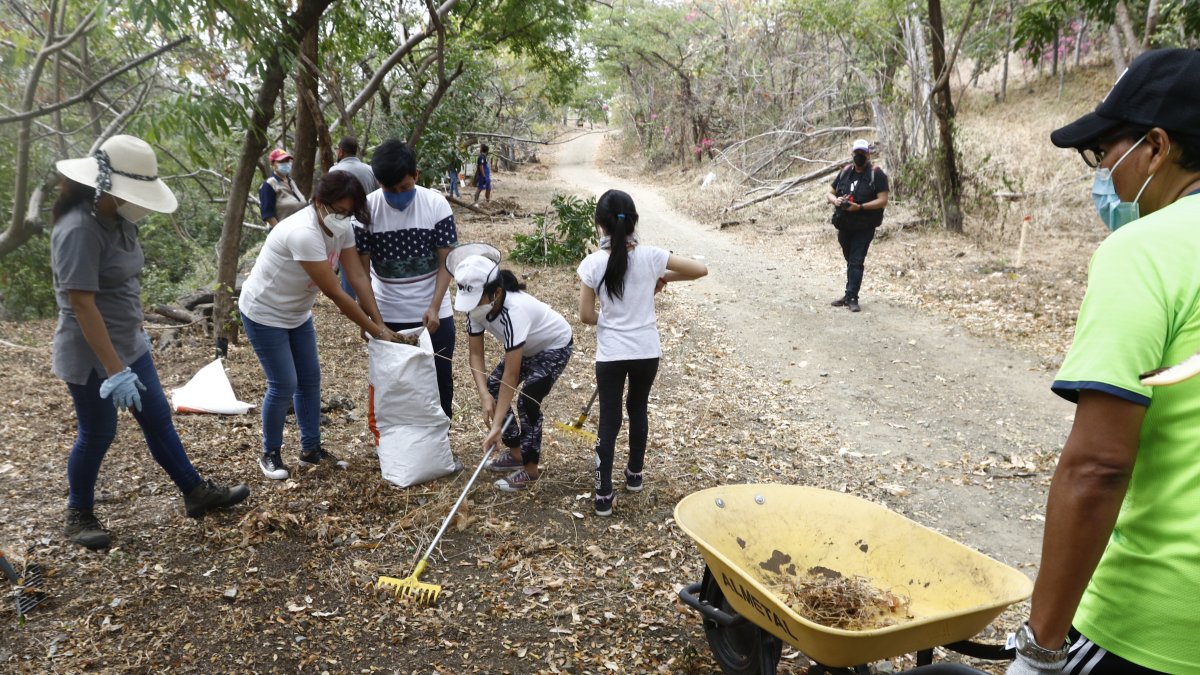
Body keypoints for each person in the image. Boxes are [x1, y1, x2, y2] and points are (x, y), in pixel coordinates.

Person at [1008, 48, 1200, 675]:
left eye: (1103, 152)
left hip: (1159, 622)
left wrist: (1041, 646)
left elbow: (1098, 467)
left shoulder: (1146, 250)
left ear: (1156, 147)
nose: (1103, 174)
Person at [51, 135, 250, 550]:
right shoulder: (78, 230)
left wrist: (133, 338)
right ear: (107, 185)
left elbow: (121, 286)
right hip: (92, 353)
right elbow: (82, 305)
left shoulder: (119, 220)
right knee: (98, 432)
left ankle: (195, 491)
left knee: (157, 417)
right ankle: (78, 512)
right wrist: (114, 370)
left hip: (130, 342)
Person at [239, 171, 401, 481]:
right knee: (284, 383)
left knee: (310, 380)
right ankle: (270, 453)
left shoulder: (342, 228)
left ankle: (311, 450)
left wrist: (378, 322)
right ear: (319, 202)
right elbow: (336, 293)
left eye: (349, 213)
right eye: (339, 210)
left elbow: (357, 276)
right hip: (264, 312)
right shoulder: (303, 233)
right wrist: (376, 331)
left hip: (297, 313)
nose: (344, 218)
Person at [577, 190, 707, 516]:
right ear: (634, 221)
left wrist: (611, 319)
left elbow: (586, 316)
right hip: (646, 351)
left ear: (600, 225)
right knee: (638, 408)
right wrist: (657, 277)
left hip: (611, 354)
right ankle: (634, 475)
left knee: (609, 419)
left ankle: (603, 495)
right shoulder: (651, 256)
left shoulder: (592, 263)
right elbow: (700, 270)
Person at [452, 249, 573, 492]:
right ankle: (516, 454)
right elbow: (475, 354)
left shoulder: (514, 311)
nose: (471, 307)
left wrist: (496, 425)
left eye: (477, 300)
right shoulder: (476, 309)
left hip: (554, 345)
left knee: (528, 401)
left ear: (496, 292)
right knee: (493, 389)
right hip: (526, 349)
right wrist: (484, 394)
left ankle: (530, 470)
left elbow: (511, 375)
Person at [358, 139, 458, 419]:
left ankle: (440, 439)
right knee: (394, 386)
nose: (398, 195)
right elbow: (361, 273)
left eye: (405, 188)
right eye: (390, 190)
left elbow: (447, 261)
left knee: (439, 382)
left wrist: (434, 306)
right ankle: (399, 441)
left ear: (416, 175)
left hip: (435, 313)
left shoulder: (436, 205)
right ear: (379, 183)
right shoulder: (366, 210)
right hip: (387, 313)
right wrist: (371, 319)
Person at [826, 139, 889, 313]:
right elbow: (829, 192)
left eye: (863, 153)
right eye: (857, 153)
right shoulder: (845, 172)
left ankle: (852, 297)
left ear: (868, 154)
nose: (859, 156)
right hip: (844, 225)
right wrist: (836, 201)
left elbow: (883, 200)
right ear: (852, 153)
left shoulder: (876, 174)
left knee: (856, 260)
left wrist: (860, 207)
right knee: (851, 260)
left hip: (864, 226)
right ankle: (849, 294)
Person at [328, 136, 378, 299]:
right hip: (368, 222)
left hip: (345, 224)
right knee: (367, 264)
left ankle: (349, 300)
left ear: (341, 151)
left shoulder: (334, 171)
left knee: (348, 265)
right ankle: (368, 297)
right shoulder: (369, 170)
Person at [259, 148, 306, 227]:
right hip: (283, 230)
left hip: (300, 227)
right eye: (281, 161)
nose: (286, 163)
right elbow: (268, 215)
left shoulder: (291, 181)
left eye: (287, 161)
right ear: (273, 164)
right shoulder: (269, 184)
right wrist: (280, 230)